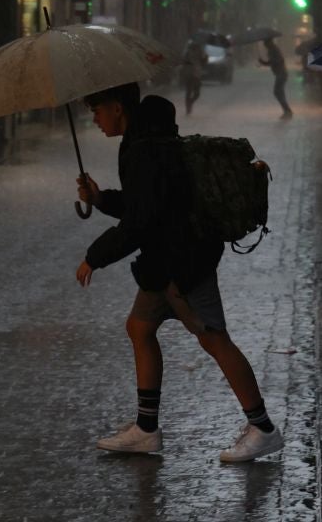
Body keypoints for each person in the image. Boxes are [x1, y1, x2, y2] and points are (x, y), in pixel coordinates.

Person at [74, 82, 283, 462]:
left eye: (98, 109)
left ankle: (263, 428)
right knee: (139, 327)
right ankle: (146, 429)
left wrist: (95, 256)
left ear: (117, 108)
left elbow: (140, 222)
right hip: (167, 261)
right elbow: (145, 207)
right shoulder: (146, 142)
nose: (95, 118)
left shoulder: (144, 150)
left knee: (215, 339)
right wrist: (102, 198)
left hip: (183, 263)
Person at [258, 38, 293, 119]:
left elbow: (277, 61)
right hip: (280, 73)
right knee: (279, 92)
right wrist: (263, 62)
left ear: (269, 43)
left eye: (265, 44)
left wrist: (264, 62)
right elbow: (272, 62)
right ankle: (287, 111)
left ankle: (287, 111)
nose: (265, 46)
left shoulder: (274, 50)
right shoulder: (272, 50)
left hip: (281, 73)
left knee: (277, 92)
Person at [181, 39, 208, 115]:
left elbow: (183, 61)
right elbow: (204, 61)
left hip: (191, 73)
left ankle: (189, 104)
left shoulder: (188, 51)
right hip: (194, 74)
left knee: (190, 92)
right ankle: (189, 106)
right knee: (195, 92)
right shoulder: (197, 51)